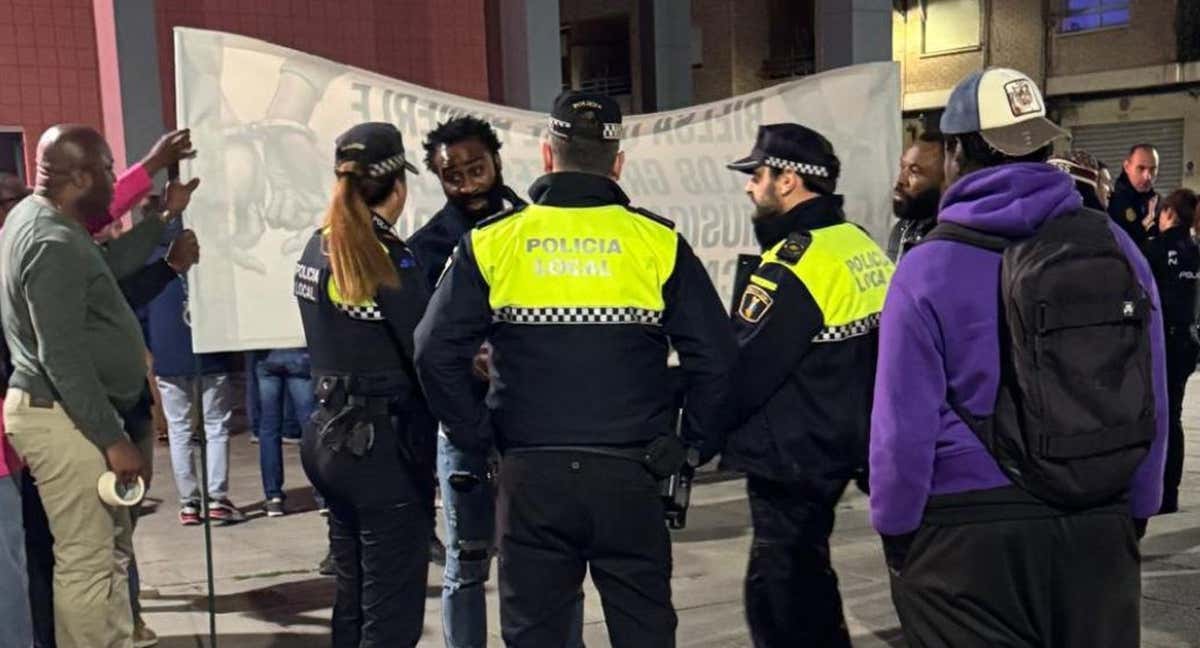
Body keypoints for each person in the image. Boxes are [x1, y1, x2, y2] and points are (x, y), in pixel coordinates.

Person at [415, 91, 736, 648]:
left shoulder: (494, 243)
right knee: (644, 630)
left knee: (536, 635)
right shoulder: (657, 243)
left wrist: (479, 436)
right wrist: (689, 444)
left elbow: (432, 351)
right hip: (631, 473)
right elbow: (718, 357)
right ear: (617, 163)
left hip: (530, 475)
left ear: (547, 155)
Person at [870, 68, 1167, 647]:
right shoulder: (1117, 245)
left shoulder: (927, 267)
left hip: (967, 536)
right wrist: (1135, 509)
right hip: (1098, 519)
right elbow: (1149, 389)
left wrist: (899, 533)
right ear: (1043, 147)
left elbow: (900, 430)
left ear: (955, 153)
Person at [412, 115, 582, 648]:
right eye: (452, 174)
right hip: (463, 426)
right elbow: (424, 342)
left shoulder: (539, 227)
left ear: (498, 161)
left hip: (534, 425)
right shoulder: (427, 246)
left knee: (553, 558)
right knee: (466, 561)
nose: (466, 182)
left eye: (476, 167)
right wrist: (468, 365)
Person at [722, 123, 893, 647]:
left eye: (758, 175)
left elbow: (744, 372)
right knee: (799, 577)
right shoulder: (856, 243)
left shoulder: (794, 264)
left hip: (794, 457)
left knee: (783, 594)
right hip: (843, 445)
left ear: (789, 180)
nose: (750, 186)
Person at [0, 124, 152, 648]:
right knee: (86, 561)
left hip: (62, 409)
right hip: (59, 413)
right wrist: (112, 437)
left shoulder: (38, 218)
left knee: (104, 551)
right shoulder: (50, 241)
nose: (115, 181)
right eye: (109, 169)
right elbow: (60, 356)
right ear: (80, 176)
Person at [293, 122, 434, 648]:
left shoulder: (316, 247)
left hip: (328, 439)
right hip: (382, 450)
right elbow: (425, 354)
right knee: (391, 614)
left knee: (352, 597)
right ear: (398, 186)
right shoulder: (387, 258)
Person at [144, 226, 242, 527]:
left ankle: (189, 502)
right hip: (209, 353)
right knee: (215, 426)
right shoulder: (209, 257)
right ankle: (216, 498)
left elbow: (140, 313)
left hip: (169, 357)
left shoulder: (150, 262)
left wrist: (153, 348)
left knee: (179, 430)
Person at [1144, 189, 1200, 514]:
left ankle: (1152, 490)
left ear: (1167, 213)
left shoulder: (1156, 247)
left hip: (1161, 341)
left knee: (1156, 418)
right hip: (1188, 343)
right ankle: (1170, 495)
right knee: (1175, 415)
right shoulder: (1194, 251)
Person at [256, 347, 315, 517]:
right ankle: (322, 495)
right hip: (299, 351)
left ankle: (273, 497)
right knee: (310, 426)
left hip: (266, 353)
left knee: (269, 428)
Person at [887, 130, 944, 261]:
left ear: (945, 179)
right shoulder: (902, 230)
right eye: (902, 167)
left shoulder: (949, 237)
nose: (901, 180)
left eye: (915, 171)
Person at [1107, 143, 1160, 248]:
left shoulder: (1158, 202)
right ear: (1127, 167)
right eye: (1141, 168)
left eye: (1153, 169)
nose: (1147, 176)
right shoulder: (1111, 202)